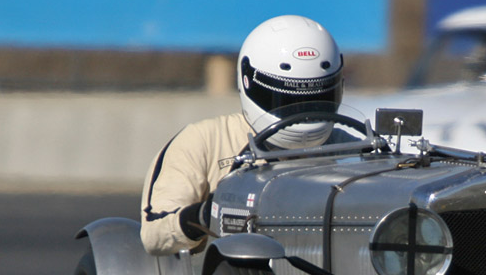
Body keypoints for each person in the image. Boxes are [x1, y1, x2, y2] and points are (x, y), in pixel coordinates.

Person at [140, 15, 345, 255]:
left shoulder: (353, 149)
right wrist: (206, 213)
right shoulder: (203, 141)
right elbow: (153, 233)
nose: (299, 113)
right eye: (286, 101)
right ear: (247, 81)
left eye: (314, 99)